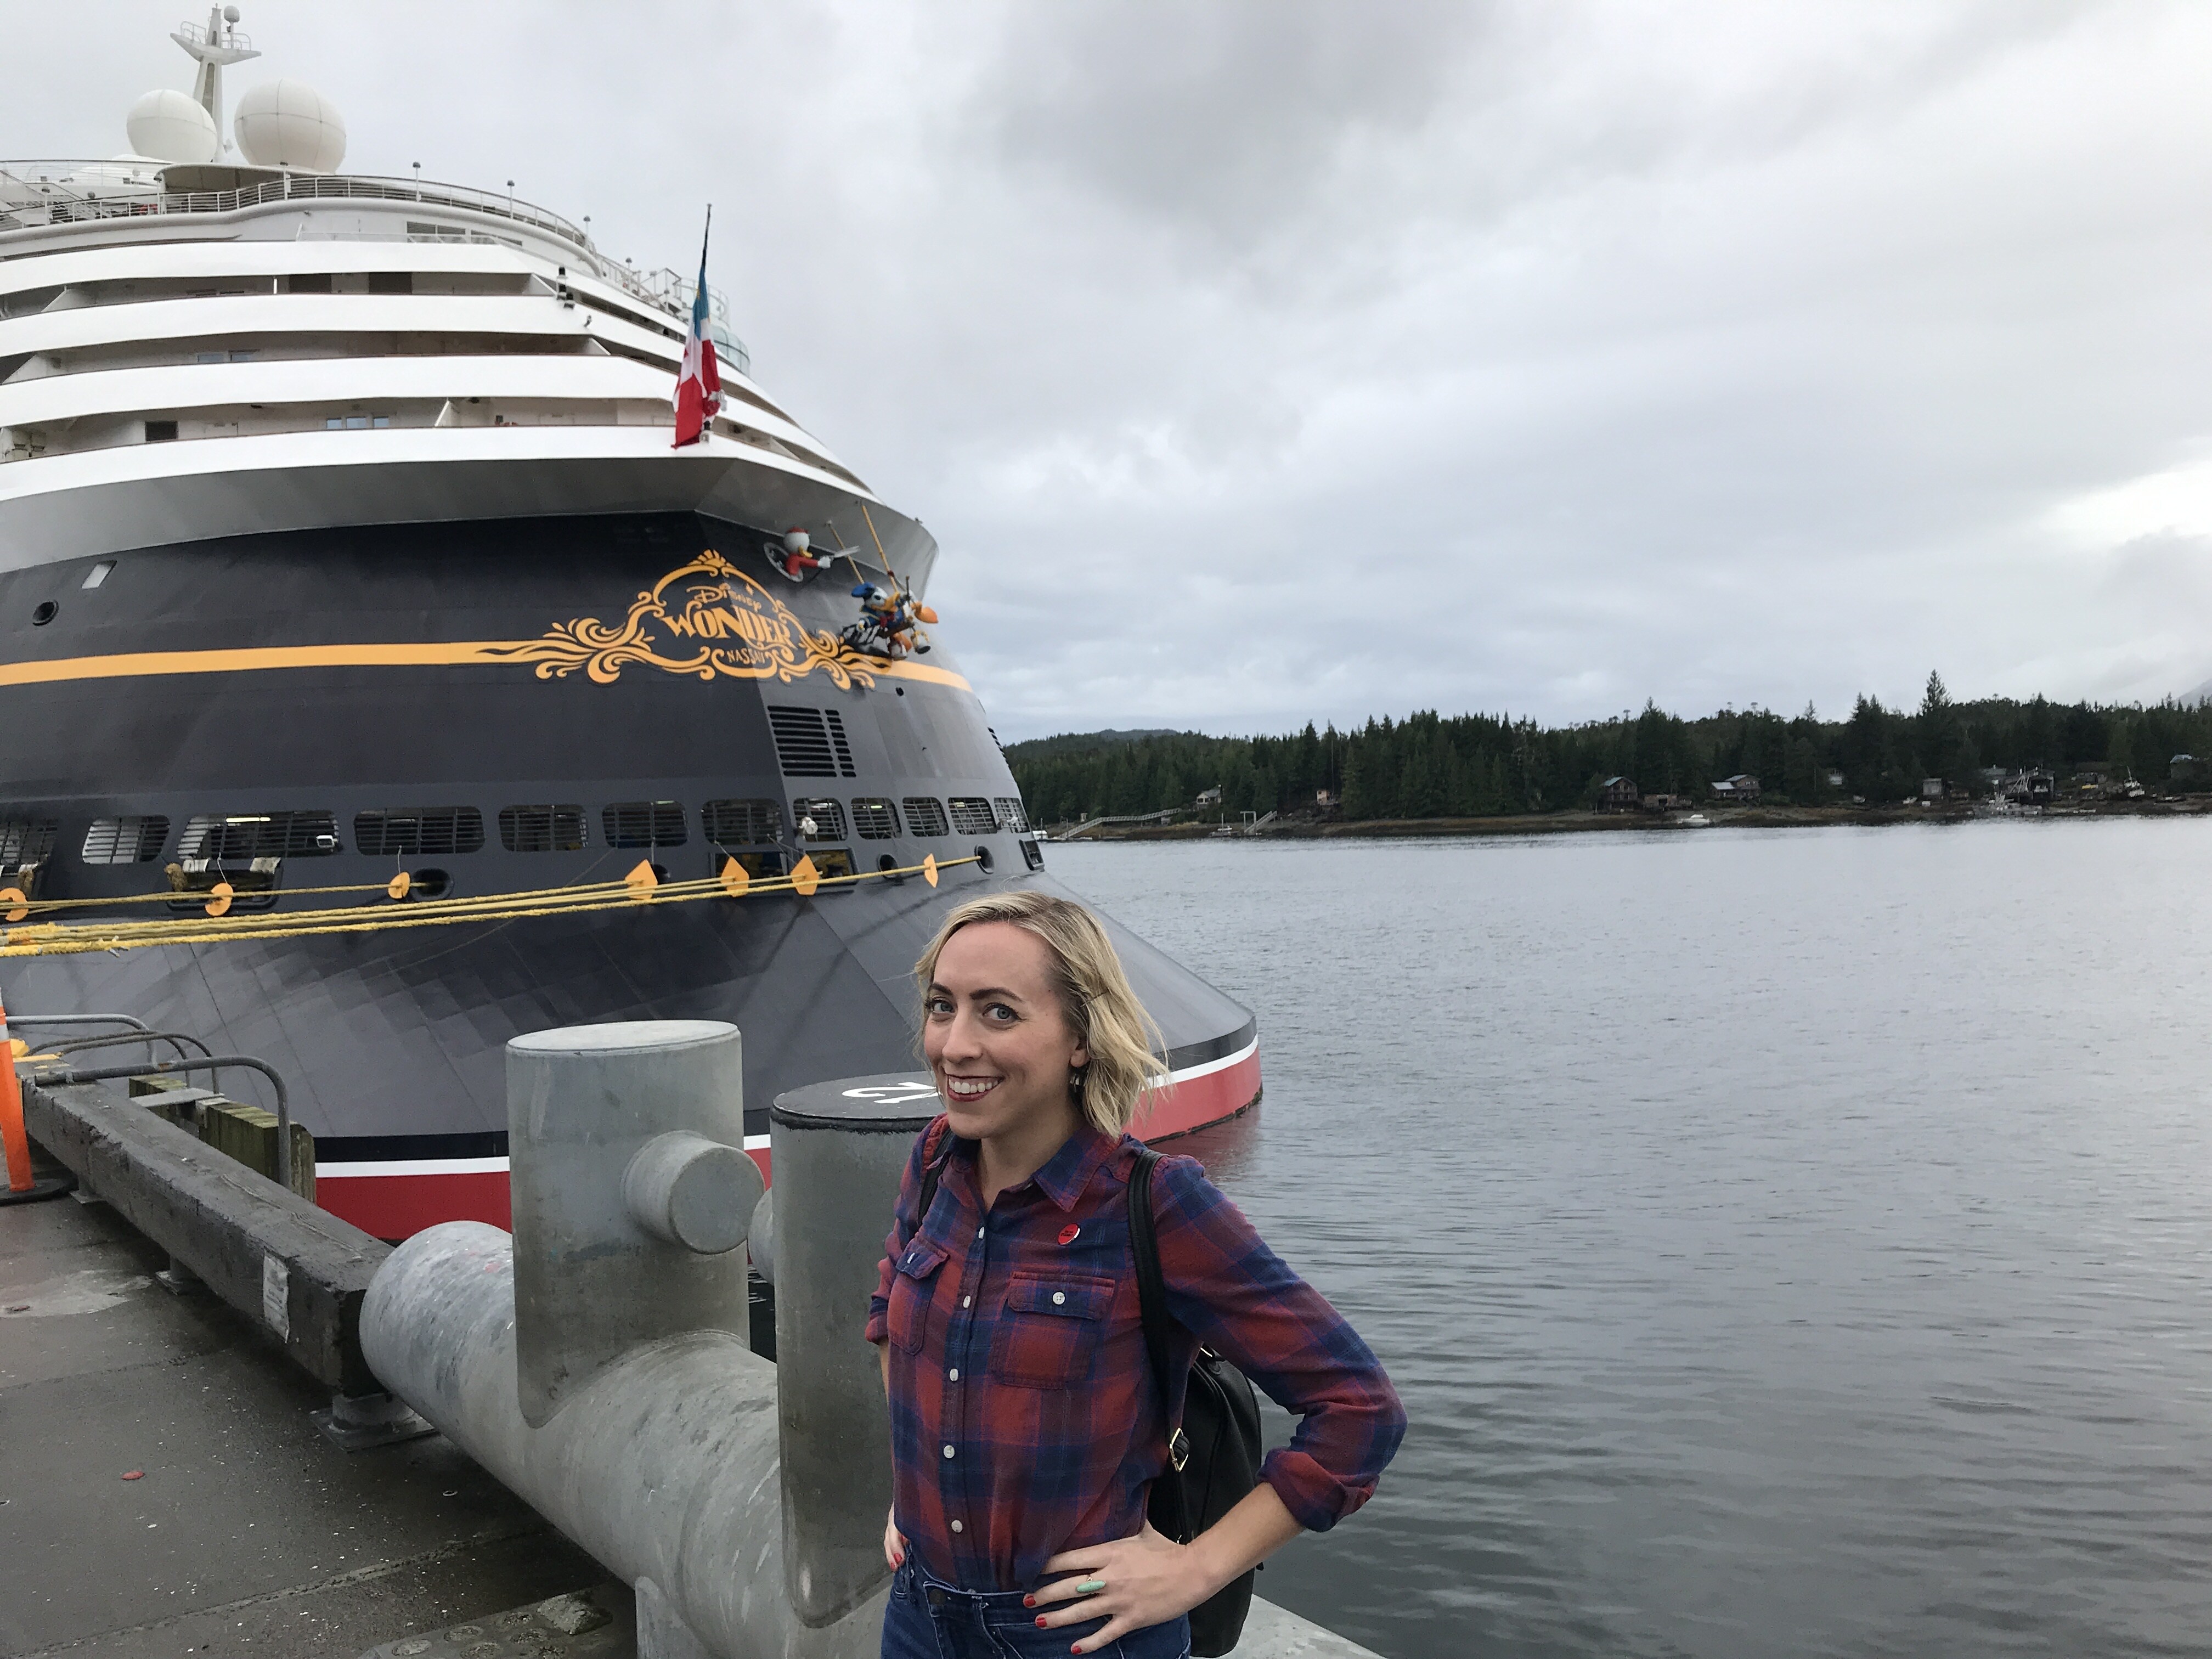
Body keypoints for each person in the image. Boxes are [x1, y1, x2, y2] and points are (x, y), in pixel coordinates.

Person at [866, 891, 1404, 1658]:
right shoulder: (933, 1165)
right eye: (941, 1006)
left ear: (1080, 1037)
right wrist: (916, 1494)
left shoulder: (1155, 1206)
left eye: (999, 1013)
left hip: (1079, 1635)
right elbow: (890, 1314)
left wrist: (1196, 1570)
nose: (954, 1045)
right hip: (920, 1613)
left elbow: (1361, 1411)